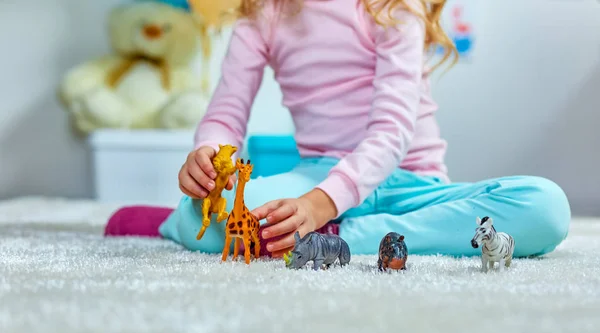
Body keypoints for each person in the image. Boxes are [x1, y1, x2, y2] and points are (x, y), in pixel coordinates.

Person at [105, 0, 571, 258]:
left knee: (544, 207)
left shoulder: (393, 6)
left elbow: (392, 129)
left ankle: (341, 236)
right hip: (317, 176)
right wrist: (209, 155)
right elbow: (227, 113)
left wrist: (320, 206)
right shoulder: (261, 13)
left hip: (410, 184)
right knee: (205, 215)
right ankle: (174, 222)